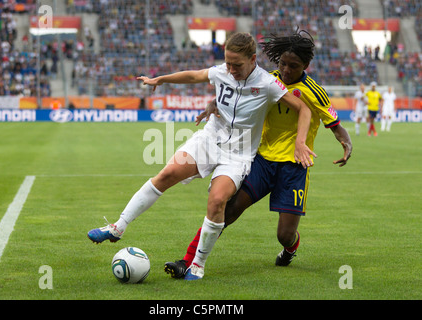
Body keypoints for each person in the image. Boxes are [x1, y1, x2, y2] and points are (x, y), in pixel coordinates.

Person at [87, 33, 315, 280]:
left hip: (237, 157)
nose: (230, 69)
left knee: (218, 202)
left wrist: (300, 142)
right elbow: (194, 75)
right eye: (227, 63)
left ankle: (197, 265)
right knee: (167, 174)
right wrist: (160, 80)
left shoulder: (269, 84)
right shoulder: (222, 72)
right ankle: (117, 227)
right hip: (209, 141)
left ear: (252, 59)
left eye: (236, 65)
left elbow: (303, 108)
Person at [164, 29, 352, 279]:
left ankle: (290, 247)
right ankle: (187, 260)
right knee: (228, 210)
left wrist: (346, 143)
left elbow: (336, 126)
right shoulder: (266, 80)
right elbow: (230, 94)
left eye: (293, 66)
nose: (285, 70)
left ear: (306, 65)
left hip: (294, 167)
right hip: (261, 161)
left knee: (284, 235)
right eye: (283, 64)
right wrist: (213, 104)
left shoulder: (314, 92)